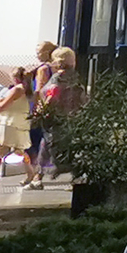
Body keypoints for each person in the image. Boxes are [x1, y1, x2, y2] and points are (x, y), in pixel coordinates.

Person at [31, 46, 81, 188]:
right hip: (70, 119)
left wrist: (41, 111)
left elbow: (52, 95)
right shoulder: (74, 79)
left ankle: (39, 177)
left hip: (54, 121)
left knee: (51, 147)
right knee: (50, 147)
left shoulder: (58, 78)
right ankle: (38, 177)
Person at [0, 65, 37, 185]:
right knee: (20, 150)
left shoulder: (17, 89)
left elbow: (1, 107)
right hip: (21, 122)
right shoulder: (28, 90)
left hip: (9, 122)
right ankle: (30, 174)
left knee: (1, 152)